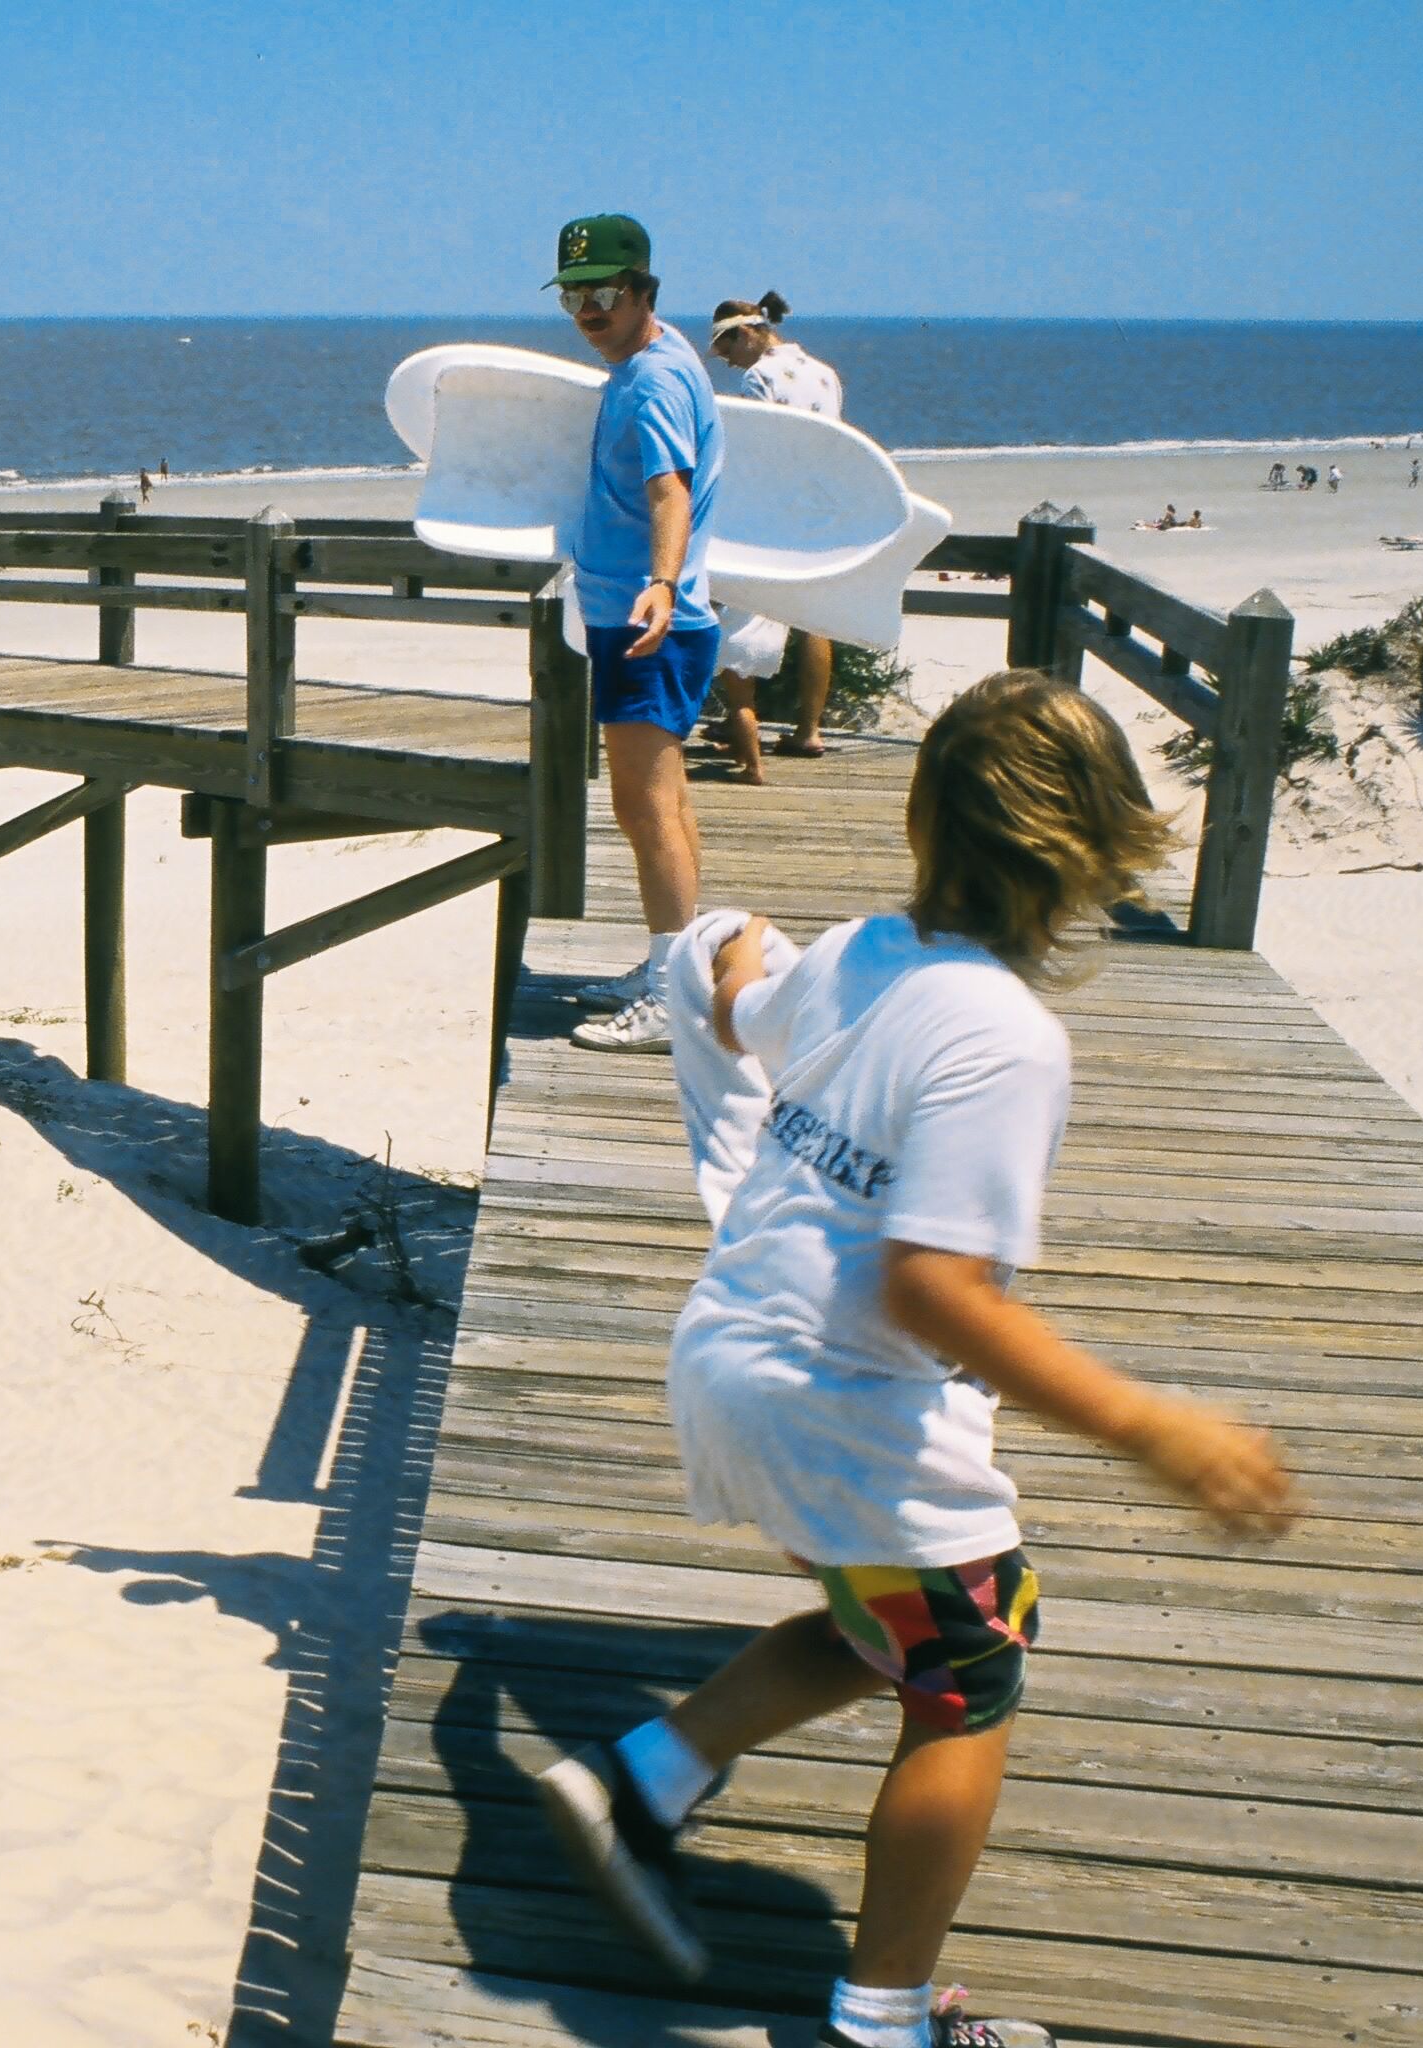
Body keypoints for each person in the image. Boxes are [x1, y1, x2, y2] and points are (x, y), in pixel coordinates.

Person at [533, 672, 1294, 2048]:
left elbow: (736, 1012)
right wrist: (1150, 1428)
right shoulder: (1006, 1040)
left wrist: (735, 955)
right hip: (831, 1389)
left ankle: (644, 1773)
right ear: (1082, 858)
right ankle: (879, 2021)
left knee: (885, 1617)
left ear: (921, 819)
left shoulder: (860, 950)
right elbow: (934, 1290)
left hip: (728, 1351)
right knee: (971, 1656)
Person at [552, 214, 725, 1056]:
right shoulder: (657, 357)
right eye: (576, 295)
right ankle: (675, 967)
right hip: (649, 613)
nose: (590, 310)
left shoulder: (652, 382)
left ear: (644, 292)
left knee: (642, 804)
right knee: (666, 801)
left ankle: (668, 994)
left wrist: (657, 584)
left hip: (643, 618)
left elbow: (670, 492)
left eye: (607, 294)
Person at [705, 292, 846, 779]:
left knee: (740, 605)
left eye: (725, 348)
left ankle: (741, 721)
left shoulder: (758, 377)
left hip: (772, 508)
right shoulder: (826, 373)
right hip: (819, 507)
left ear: (747, 334)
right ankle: (809, 729)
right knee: (813, 618)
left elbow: (753, 447)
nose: (725, 361)